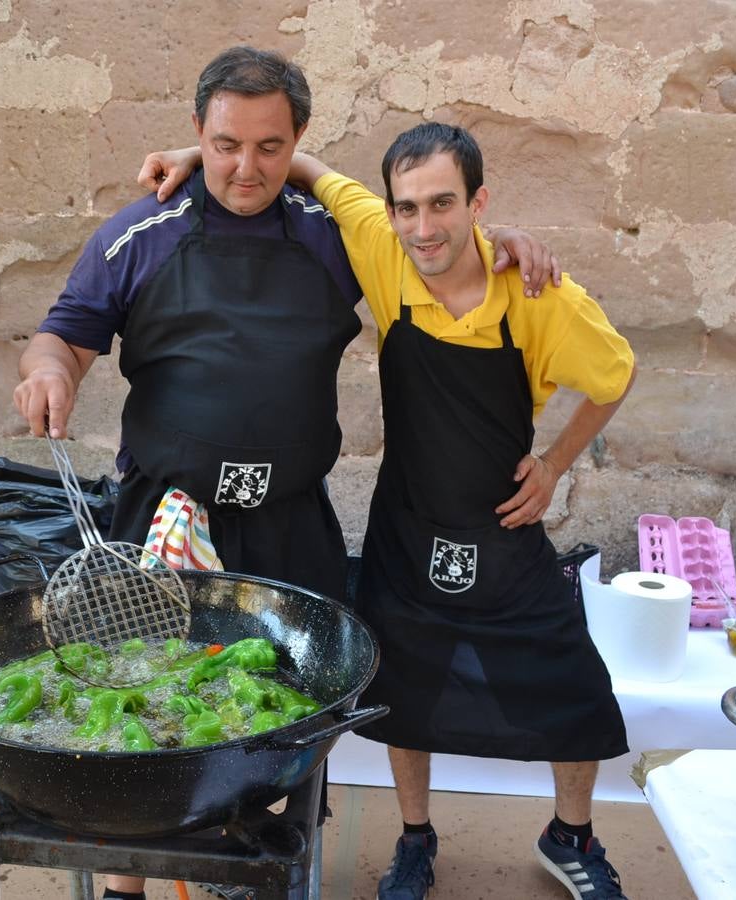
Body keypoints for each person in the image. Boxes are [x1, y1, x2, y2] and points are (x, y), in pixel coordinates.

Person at [15, 46, 556, 900]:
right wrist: (51, 370)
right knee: (134, 706)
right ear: (198, 132)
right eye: (225, 144)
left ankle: (260, 870)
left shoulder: (330, 236)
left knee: (282, 711)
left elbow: (435, 253)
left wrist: (504, 246)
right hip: (166, 514)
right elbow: (67, 330)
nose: (245, 167)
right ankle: (125, 885)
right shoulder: (138, 232)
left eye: (270, 147)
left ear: (298, 139)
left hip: (287, 520)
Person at [141, 123, 636, 900]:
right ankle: (414, 840)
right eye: (407, 207)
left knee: (572, 688)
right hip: (407, 525)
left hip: (505, 534)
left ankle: (570, 835)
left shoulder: (539, 298)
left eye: (443, 204)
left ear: (480, 200)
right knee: (404, 694)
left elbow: (614, 375)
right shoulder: (380, 243)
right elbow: (298, 163)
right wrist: (191, 157)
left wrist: (553, 464)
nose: (423, 227)